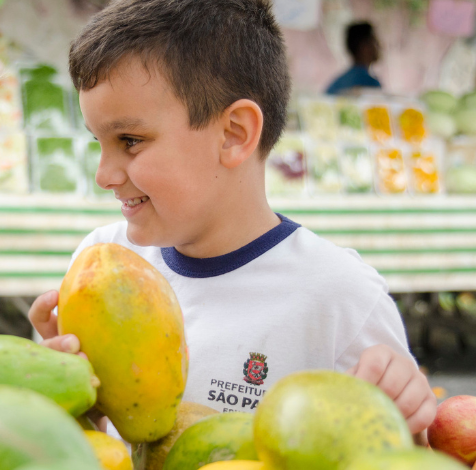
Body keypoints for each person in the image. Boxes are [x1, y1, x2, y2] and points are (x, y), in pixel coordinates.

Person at [29, 0, 436, 441]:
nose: (103, 175)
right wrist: (58, 401)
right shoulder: (99, 261)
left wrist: (407, 418)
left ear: (234, 134)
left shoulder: (340, 298)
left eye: (129, 140)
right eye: (98, 142)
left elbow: (399, 447)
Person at [326, 21, 382, 95]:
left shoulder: (337, 83)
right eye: (374, 41)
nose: (379, 46)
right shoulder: (370, 84)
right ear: (364, 47)